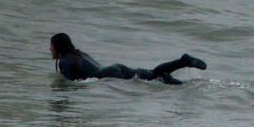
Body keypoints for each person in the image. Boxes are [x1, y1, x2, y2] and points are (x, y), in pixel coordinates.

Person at [50, 32, 207, 85]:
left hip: (110, 76)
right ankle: (183, 62)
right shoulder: (79, 53)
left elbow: (73, 84)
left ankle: (171, 76)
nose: (50, 49)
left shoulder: (64, 61)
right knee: (153, 75)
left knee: (149, 82)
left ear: (58, 47)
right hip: (115, 68)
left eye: (51, 46)